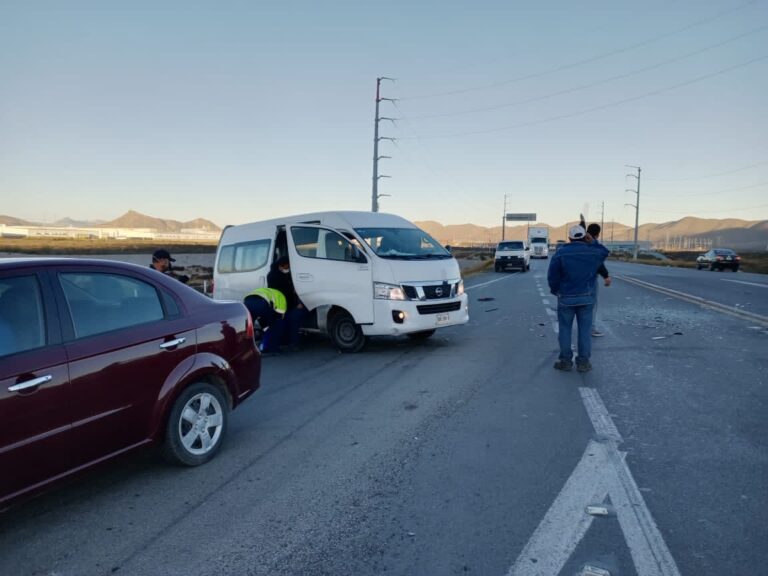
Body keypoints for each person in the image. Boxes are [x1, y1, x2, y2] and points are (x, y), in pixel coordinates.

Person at [547, 224, 609, 373]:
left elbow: (552, 276)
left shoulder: (561, 253)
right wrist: (592, 241)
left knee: (565, 330)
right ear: (584, 236)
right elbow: (605, 252)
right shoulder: (593, 251)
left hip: (566, 297)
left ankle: (566, 361)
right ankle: (583, 363)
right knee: (585, 331)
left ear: (569, 238)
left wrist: (556, 291)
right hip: (587, 298)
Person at [267, 256, 307, 351]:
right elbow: (286, 292)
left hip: (281, 305)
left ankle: (284, 343)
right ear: (280, 266)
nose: (287, 269)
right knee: (293, 321)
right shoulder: (277, 277)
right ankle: (293, 344)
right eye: (286, 267)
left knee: (284, 324)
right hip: (283, 305)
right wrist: (296, 304)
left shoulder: (272, 274)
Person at [586, 223, 612, 337]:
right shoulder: (593, 247)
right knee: (591, 304)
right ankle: (591, 328)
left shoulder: (577, 245)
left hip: (572, 280)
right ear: (597, 234)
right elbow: (603, 255)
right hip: (590, 279)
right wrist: (606, 276)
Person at [243, 287, 287, 354]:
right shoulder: (282, 301)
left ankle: (247, 350)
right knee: (274, 327)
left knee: (249, 328)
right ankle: (273, 348)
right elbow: (279, 315)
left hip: (247, 301)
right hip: (261, 302)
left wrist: (265, 326)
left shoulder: (272, 292)